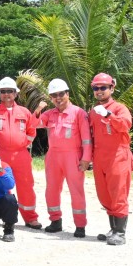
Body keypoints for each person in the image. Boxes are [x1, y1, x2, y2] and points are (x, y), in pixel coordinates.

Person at [35, 78, 92, 238]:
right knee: (51, 190)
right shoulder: (49, 114)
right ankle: (55, 221)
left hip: (72, 156)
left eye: (61, 94)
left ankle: (80, 225)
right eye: (54, 95)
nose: (58, 98)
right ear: (51, 98)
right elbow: (35, 124)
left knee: (76, 191)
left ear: (67, 94)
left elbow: (87, 139)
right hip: (53, 156)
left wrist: (86, 158)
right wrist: (38, 109)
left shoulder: (79, 113)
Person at [0, 77, 41, 228]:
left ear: (16, 93)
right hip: (0, 155)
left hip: (21, 155)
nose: (6, 94)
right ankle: (5, 216)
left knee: (26, 186)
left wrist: (24, 143)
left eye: (10, 91)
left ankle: (30, 218)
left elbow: (31, 131)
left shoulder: (24, 112)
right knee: (2, 185)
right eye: (3, 91)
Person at [89, 72, 133, 246]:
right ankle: (113, 229)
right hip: (100, 158)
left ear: (111, 88)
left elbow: (125, 125)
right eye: (96, 88)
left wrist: (108, 115)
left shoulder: (119, 108)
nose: (99, 91)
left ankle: (120, 233)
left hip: (118, 157)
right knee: (105, 195)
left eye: (103, 88)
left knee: (118, 195)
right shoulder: (93, 112)